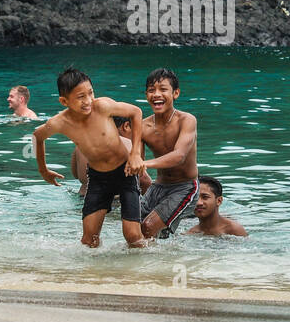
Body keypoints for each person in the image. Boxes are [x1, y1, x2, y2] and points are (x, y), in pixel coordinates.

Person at [32, 68, 146, 248]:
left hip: (125, 171)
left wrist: (135, 154)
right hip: (98, 179)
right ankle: (92, 275)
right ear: (64, 101)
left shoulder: (102, 107)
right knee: (89, 240)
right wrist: (43, 170)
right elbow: (38, 136)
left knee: (133, 237)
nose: (88, 101)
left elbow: (136, 112)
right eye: (80, 97)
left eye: (90, 93)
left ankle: (145, 269)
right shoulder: (59, 123)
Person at [138, 68, 200, 240]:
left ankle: (148, 264)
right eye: (151, 90)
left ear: (176, 93)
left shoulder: (187, 120)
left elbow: (179, 155)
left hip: (185, 187)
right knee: (133, 226)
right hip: (157, 187)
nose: (156, 94)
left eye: (163, 89)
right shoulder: (142, 126)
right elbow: (136, 160)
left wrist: (145, 164)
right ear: (146, 95)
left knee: (148, 227)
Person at [72, 117, 151, 197]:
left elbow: (75, 175)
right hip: (114, 203)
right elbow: (144, 180)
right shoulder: (125, 144)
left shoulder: (81, 145)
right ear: (126, 126)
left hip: (83, 198)